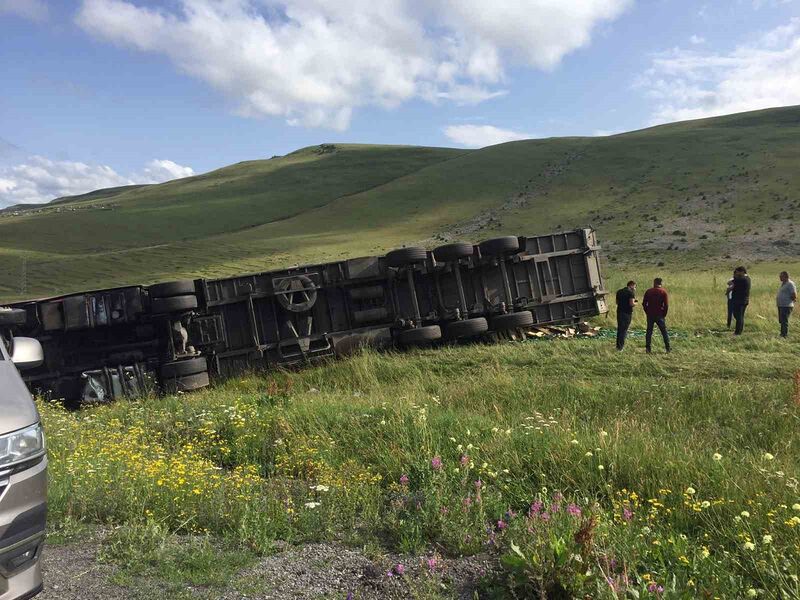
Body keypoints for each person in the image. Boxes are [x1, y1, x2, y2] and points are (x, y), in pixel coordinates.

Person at [642, 277, 670, 353]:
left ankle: (648, 349)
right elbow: (666, 305)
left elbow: (644, 303)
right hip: (660, 314)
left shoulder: (649, 291)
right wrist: (664, 314)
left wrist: (647, 311)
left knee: (649, 332)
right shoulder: (663, 292)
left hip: (650, 314)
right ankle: (668, 348)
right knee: (664, 332)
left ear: (654, 283)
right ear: (661, 283)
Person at [615, 280, 637, 350]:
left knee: (620, 329)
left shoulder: (619, 291)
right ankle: (620, 347)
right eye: (634, 286)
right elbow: (632, 304)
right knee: (624, 330)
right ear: (631, 285)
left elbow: (617, 302)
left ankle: (618, 345)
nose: (635, 288)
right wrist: (636, 303)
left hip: (619, 312)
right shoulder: (631, 293)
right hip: (627, 313)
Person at [731, 266, 751, 335]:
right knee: (740, 316)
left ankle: (738, 332)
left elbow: (731, 282)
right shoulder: (748, 278)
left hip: (740, 300)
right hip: (744, 300)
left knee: (738, 316)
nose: (737, 274)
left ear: (742, 272)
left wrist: (735, 276)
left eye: (738, 272)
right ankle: (739, 330)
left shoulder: (743, 279)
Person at [777, 271, 797, 338]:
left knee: (784, 320)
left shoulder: (790, 284)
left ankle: (784, 335)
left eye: (781, 276)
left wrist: (790, 300)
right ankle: (782, 333)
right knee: (781, 320)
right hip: (781, 305)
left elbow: (794, 294)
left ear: (786, 276)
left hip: (786, 305)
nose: (780, 278)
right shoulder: (783, 284)